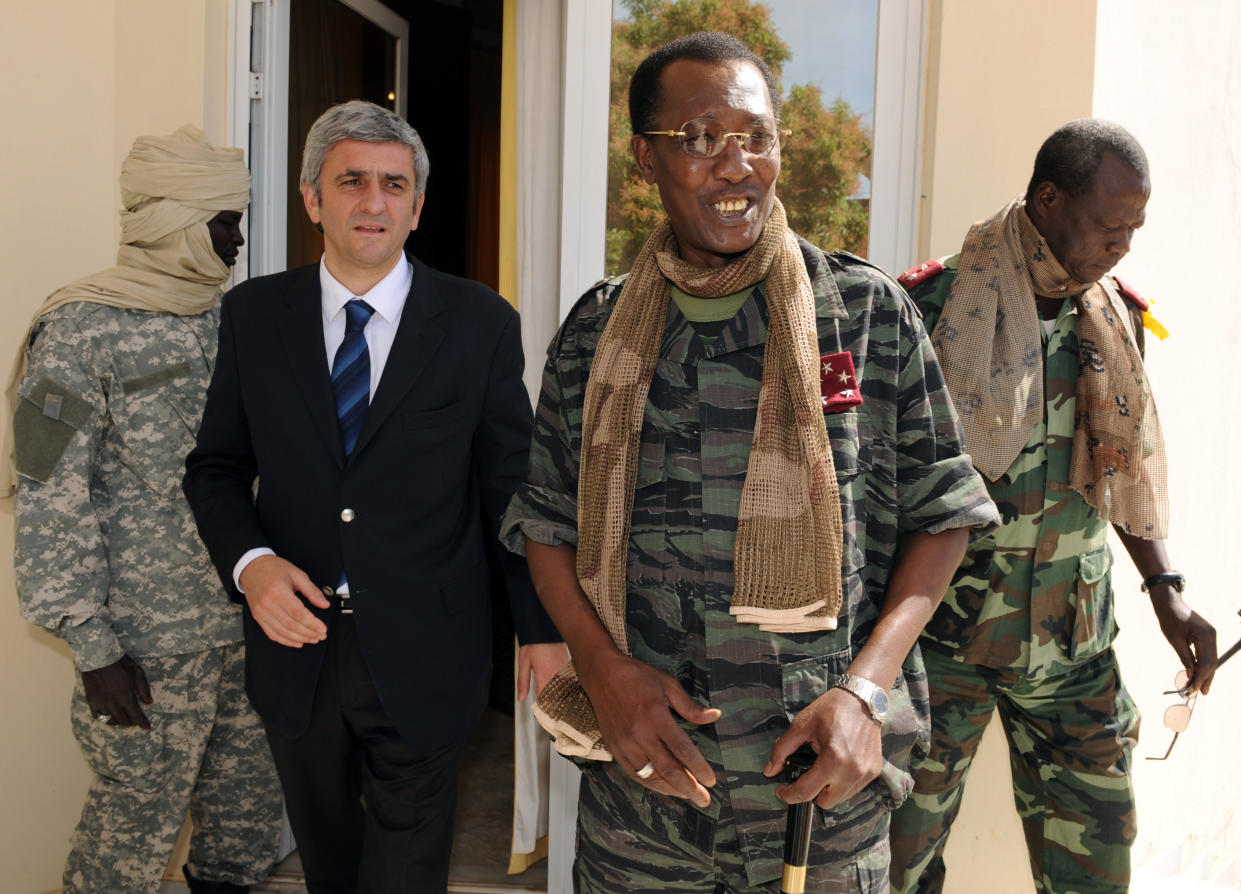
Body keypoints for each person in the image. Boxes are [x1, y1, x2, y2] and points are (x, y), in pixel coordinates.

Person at [500, 32, 998, 893]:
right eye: (699, 138)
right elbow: (545, 530)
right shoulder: (594, 335)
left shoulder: (865, 315)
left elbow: (942, 514)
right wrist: (603, 670)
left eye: (756, 136)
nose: (736, 166)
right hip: (646, 794)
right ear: (645, 160)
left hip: (817, 786)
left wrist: (865, 694)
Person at [182, 100, 565, 894]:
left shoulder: (477, 323)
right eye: (350, 180)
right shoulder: (253, 317)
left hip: (430, 650)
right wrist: (251, 566)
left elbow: (511, 488)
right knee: (331, 864)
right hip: (296, 651)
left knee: (405, 870)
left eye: (394, 184)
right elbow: (214, 467)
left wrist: (540, 628)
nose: (374, 201)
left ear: (418, 206)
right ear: (311, 199)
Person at [888, 119, 1219, 894]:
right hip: (943, 649)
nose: (1122, 246)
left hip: (1074, 648)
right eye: (1108, 225)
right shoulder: (930, 308)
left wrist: (1166, 593)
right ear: (1047, 199)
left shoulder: (1115, 317)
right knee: (896, 866)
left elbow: (1124, 469)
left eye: (1134, 229)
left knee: (1099, 866)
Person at [8, 125, 281, 894]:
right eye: (224, 222)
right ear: (173, 221)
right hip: (149, 651)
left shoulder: (242, 320)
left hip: (253, 628)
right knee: (128, 846)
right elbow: (48, 491)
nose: (236, 240)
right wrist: (93, 648)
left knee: (246, 832)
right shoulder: (79, 330)